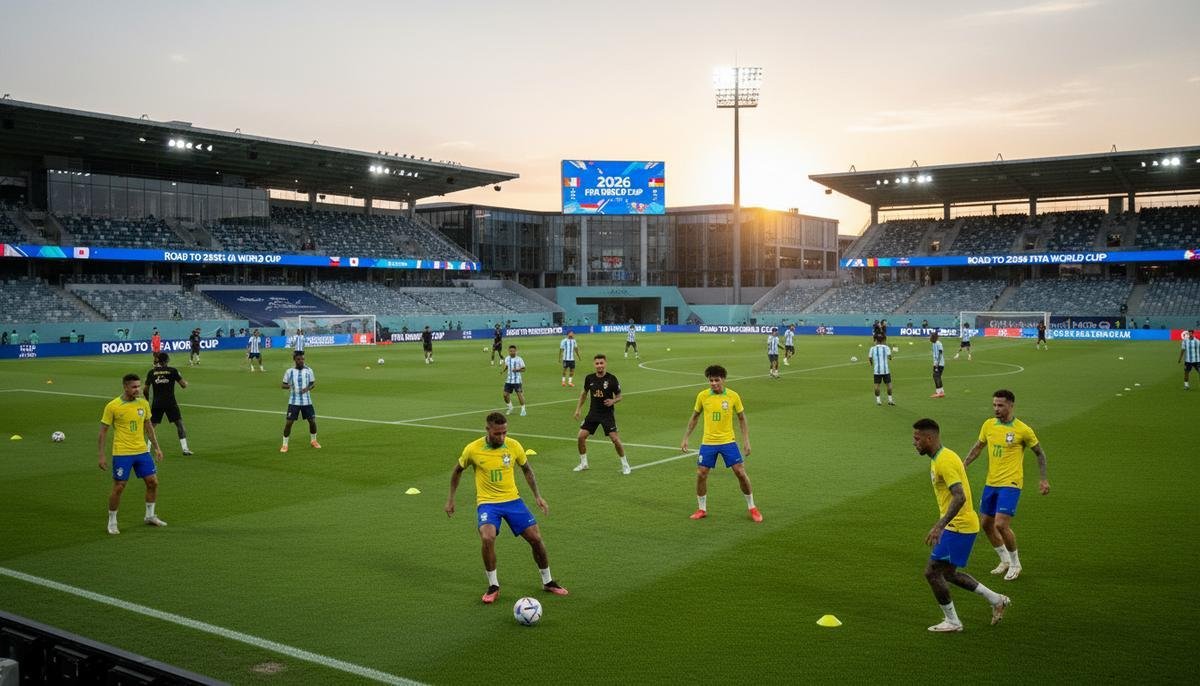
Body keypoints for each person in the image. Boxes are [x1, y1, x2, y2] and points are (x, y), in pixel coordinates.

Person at [445, 411, 569, 604]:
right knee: (487, 537)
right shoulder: (473, 449)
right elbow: (457, 471)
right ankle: (493, 585)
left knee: (536, 539)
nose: (502, 437)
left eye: (504, 432)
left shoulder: (513, 446)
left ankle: (548, 581)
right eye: (497, 433)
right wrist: (451, 499)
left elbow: (527, 469)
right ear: (487, 430)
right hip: (488, 503)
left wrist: (537, 496)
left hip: (513, 501)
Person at [913, 418, 1010, 632]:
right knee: (947, 573)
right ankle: (996, 600)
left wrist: (940, 525)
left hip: (958, 526)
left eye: (917, 438)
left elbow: (960, 496)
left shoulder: (944, 461)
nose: (914, 443)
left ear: (929, 438)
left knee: (932, 573)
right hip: (961, 525)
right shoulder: (941, 457)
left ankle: (953, 622)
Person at [962, 389, 1050, 581]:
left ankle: (1016, 563)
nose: (996, 409)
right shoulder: (988, 425)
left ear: (1011, 405)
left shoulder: (1023, 430)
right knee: (985, 524)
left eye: (1000, 405)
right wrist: (964, 464)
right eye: (994, 405)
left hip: (1011, 483)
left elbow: (1040, 453)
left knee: (1000, 524)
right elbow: (978, 447)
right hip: (991, 482)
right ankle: (1004, 560)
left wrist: (1043, 479)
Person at [680, 364, 761, 522]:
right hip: (708, 442)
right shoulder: (703, 396)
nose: (714, 383)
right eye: (711, 380)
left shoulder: (733, 396)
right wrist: (686, 437)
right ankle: (701, 509)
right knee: (701, 474)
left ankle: (752, 507)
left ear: (723, 379)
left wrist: (746, 441)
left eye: (717, 380)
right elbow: (695, 417)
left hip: (728, 442)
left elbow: (742, 418)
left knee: (740, 472)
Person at [98, 373, 166, 535]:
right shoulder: (113, 406)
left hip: (142, 451)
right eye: (134, 387)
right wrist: (101, 455)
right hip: (122, 452)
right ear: (125, 387)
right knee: (119, 486)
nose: (138, 389)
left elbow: (149, 427)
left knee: (153, 482)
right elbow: (103, 432)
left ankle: (150, 516)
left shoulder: (143, 404)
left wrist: (157, 447)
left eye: (139, 386)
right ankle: (112, 521)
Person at [572, 354, 629, 474]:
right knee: (581, 437)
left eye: (601, 363)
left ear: (605, 364)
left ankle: (625, 465)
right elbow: (584, 394)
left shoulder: (611, 379)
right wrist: (578, 409)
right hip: (593, 413)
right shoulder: (589, 378)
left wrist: (613, 401)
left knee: (615, 439)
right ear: (594, 365)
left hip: (607, 415)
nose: (599, 366)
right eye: (597, 363)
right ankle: (584, 463)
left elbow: (619, 397)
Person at [144, 353, 193, 456]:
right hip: (170, 402)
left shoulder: (152, 372)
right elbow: (183, 385)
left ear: (158, 360)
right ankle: (185, 449)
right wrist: (186, 383)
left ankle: (147, 449)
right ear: (167, 360)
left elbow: (145, 389)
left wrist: (147, 401)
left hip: (157, 403)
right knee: (179, 424)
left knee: (151, 426)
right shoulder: (172, 371)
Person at [280, 352, 319, 453]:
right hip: (294, 402)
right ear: (294, 360)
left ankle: (313, 441)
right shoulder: (289, 372)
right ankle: (284, 445)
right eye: (298, 359)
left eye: (302, 359)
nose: (301, 361)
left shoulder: (309, 370)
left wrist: (307, 388)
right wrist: (290, 387)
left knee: (312, 421)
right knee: (289, 423)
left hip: (307, 401)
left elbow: (312, 383)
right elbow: (283, 385)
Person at [868, 334, 895, 406]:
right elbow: (890, 357)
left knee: (877, 386)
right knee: (889, 385)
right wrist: (890, 356)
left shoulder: (872, 348)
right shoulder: (886, 347)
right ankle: (890, 400)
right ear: (883, 340)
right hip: (886, 370)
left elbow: (870, 358)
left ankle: (878, 401)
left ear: (876, 340)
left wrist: (871, 363)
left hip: (877, 370)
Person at [502, 345, 527, 416]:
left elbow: (524, 369)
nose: (512, 352)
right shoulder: (507, 358)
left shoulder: (519, 359)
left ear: (516, 351)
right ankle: (510, 407)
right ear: (508, 351)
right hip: (508, 380)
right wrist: (503, 370)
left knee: (519, 394)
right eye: (510, 351)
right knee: (505, 395)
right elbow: (507, 366)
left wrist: (517, 370)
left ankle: (523, 410)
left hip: (517, 381)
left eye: (513, 351)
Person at [930, 331, 946, 398]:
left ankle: (938, 392)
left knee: (936, 376)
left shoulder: (939, 343)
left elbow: (940, 353)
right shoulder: (933, 343)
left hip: (939, 363)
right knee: (937, 376)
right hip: (936, 363)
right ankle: (941, 392)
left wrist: (937, 364)